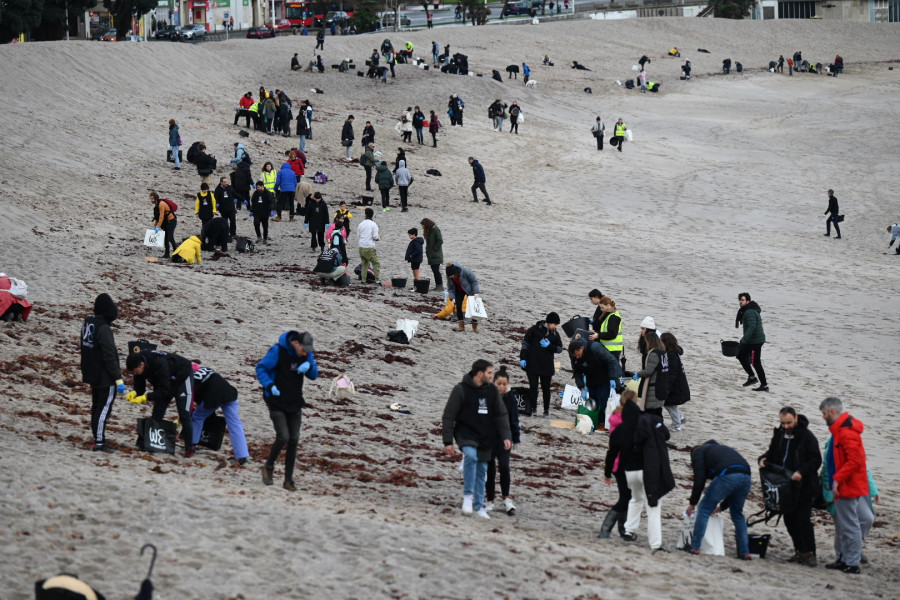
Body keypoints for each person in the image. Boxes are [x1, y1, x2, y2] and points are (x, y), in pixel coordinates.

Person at [442, 359, 512, 519]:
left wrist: (506, 436)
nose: (491, 376)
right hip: (465, 433)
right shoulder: (460, 389)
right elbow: (449, 415)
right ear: (480, 373)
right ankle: (468, 498)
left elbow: (501, 414)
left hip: (485, 436)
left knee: (482, 470)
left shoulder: (492, 392)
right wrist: (447, 441)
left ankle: (479, 506)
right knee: (471, 456)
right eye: (489, 373)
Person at [758, 406, 822, 567]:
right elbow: (772, 453)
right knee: (789, 519)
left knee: (803, 520)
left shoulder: (807, 436)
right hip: (785, 486)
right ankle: (799, 551)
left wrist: (801, 471)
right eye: (783, 423)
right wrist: (763, 459)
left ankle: (810, 553)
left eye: (788, 423)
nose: (785, 426)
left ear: (796, 418)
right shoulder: (780, 434)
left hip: (805, 487)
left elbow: (816, 460)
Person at [255, 331, 318, 492]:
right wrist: (269, 385)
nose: (306, 353)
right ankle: (268, 466)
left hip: (295, 401)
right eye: (304, 349)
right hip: (275, 399)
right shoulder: (277, 351)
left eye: (308, 351)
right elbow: (261, 368)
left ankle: (288, 480)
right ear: (296, 343)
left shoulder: (306, 354)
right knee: (283, 436)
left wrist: (309, 365)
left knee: (294, 439)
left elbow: (314, 375)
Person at [819, 397, 868, 574]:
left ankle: (852, 563)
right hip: (847, 484)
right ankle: (844, 559)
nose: (824, 417)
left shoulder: (846, 432)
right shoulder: (841, 430)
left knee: (849, 525)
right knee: (844, 525)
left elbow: (855, 460)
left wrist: (838, 479)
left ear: (832, 412)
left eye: (824, 414)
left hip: (848, 486)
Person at [685, 440, 752, 559]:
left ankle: (695, 547)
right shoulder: (719, 450)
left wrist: (693, 503)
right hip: (746, 476)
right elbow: (734, 487)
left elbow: (699, 480)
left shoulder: (698, 452)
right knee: (737, 514)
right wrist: (722, 507)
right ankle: (745, 552)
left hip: (728, 474)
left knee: (704, 509)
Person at [124, 349, 196, 458]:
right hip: (164, 381)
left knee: (184, 413)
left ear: (142, 365)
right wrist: (135, 392)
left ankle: (189, 449)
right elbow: (140, 386)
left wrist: (146, 397)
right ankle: (151, 443)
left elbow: (164, 391)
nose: (134, 374)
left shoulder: (158, 362)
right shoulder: (138, 363)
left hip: (182, 376)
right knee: (158, 410)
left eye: (135, 371)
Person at [625, 406, 674, 552]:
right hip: (649, 469)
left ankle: (629, 530)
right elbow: (667, 435)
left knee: (636, 498)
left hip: (631, 469)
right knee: (653, 507)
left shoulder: (629, 425)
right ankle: (655, 544)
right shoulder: (655, 422)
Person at [79, 293, 124, 452]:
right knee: (104, 409)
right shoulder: (104, 328)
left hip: (92, 373)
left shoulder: (88, 322)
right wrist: (118, 378)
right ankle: (99, 441)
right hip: (105, 377)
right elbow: (109, 355)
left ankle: (98, 437)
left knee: (97, 407)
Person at [189, 365, 249, 464]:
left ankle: (191, 445)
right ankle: (242, 455)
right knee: (235, 423)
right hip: (229, 392)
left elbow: (190, 399)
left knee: (197, 416)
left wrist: (190, 412)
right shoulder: (206, 369)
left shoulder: (191, 379)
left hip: (214, 396)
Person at [600, 389, 636, 538]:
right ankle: (607, 529)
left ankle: (623, 529)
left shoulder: (616, 415)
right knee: (626, 497)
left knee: (627, 496)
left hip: (617, 460)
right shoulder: (627, 419)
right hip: (622, 461)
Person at [486, 367, 520, 515]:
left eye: (504, 384)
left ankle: (506, 498)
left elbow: (514, 420)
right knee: (490, 470)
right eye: (499, 383)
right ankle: (490, 500)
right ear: (493, 383)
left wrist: (515, 438)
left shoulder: (511, 398)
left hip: (505, 439)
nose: (502, 386)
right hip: (488, 439)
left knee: (504, 467)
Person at [520, 312, 564, 418]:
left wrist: (550, 346)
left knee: (546, 388)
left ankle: (546, 411)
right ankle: (533, 409)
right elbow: (525, 344)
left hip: (547, 365)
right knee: (533, 387)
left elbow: (559, 349)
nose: (556, 327)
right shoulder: (533, 330)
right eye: (555, 324)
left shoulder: (555, 334)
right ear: (549, 323)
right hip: (532, 364)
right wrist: (522, 358)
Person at [568, 337, 619, 422]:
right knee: (593, 402)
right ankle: (594, 421)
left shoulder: (595, 347)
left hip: (604, 376)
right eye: (575, 356)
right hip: (591, 379)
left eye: (578, 354)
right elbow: (577, 372)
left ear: (582, 348)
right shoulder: (573, 356)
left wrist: (613, 377)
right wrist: (581, 388)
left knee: (603, 401)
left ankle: (602, 422)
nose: (577, 357)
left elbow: (611, 361)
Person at [735, 292, 768, 392]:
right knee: (740, 355)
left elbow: (752, 327)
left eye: (743, 300)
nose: (740, 302)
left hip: (755, 341)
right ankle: (752, 378)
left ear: (748, 301)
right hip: (752, 340)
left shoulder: (749, 312)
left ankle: (764, 385)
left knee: (755, 362)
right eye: (740, 300)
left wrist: (743, 340)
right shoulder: (748, 310)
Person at [660, 332, 690, 431]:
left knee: (668, 403)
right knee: (670, 404)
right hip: (677, 383)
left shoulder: (671, 355)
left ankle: (677, 425)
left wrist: (667, 387)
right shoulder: (673, 353)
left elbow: (672, 373)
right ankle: (681, 417)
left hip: (675, 385)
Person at [633, 330, 667, 417]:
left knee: (651, 412)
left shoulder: (654, 354)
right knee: (658, 410)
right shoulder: (663, 353)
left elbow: (648, 371)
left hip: (653, 387)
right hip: (662, 385)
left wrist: (638, 374)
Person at [446, 263, 480, 332]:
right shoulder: (449, 277)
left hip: (469, 290)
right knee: (458, 305)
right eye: (450, 276)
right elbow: (450, 288)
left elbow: (474, 282)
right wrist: (452, 297)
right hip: (459, 291)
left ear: (456, 273)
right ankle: (461, 326)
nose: (451, 277)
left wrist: (475, 292)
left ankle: (475, 327)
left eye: (452, 275)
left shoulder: (465, 272)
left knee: (473, 307)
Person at [588, 296, 623, 361]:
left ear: (608, 305)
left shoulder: (614, 317)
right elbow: (605, 330)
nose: (601, 310)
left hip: (613, 350)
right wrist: (595, 332)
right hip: (608, 348)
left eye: (602, 307)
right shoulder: (609, 315)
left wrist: (598, 335)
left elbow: (612, 334)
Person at [150, 192, 177, 259]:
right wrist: (155, 226)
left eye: (152, 198)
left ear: (155, 198)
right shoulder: (156, 205)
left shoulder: (161, 204)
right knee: (166, 238)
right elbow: (157, 217)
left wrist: (158, 227)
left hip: (171, 221)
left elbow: (161, 217)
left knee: (170, 237)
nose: (151, 200)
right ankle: (167, 254)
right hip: (167, 222)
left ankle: (176, 252)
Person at [357, 207, 381, 284]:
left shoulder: (361, 224)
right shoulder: (374, 225)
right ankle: (377, 280)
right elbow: (375, 237)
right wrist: (378, 239)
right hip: (369, 247)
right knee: (376, 263)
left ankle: (363, 280)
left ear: (365, 215)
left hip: (361, 247)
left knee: (365, 264)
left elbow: (359, 235)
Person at [420, 218, 444, 291]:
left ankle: (440, 286)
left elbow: (440, 240)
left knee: (436, 271)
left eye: (423, 226)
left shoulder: (435, 230)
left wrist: (434, 249)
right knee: (434, 270)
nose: (423, 227)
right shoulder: (430, 230)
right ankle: (438, 286)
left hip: (436, 255)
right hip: (431, 254)